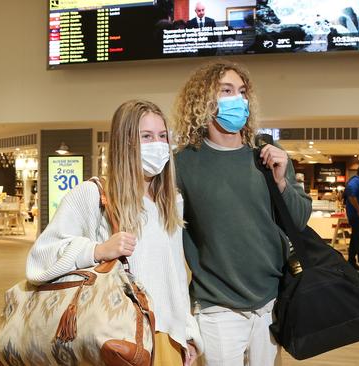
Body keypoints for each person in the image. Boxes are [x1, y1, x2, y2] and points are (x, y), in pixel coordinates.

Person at [26, 100, 202, 365]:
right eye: (146, 136)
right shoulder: (94, 195)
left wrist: (187, 333)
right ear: (125, 142)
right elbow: (40, 259)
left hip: (167, 340)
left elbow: (174, 275)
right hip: (118, 339)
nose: (158, 144)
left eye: (162, 136)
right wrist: (97, 250)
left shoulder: (172, 202)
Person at [173, 61, 312, 366]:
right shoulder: (182, 165)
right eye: (227, 91)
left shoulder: (266, 155)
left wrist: (281, 181)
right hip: (216, 305)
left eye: (242, 92)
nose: (239, 99)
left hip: (271, 302)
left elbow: (299, 218)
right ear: (204, 101)